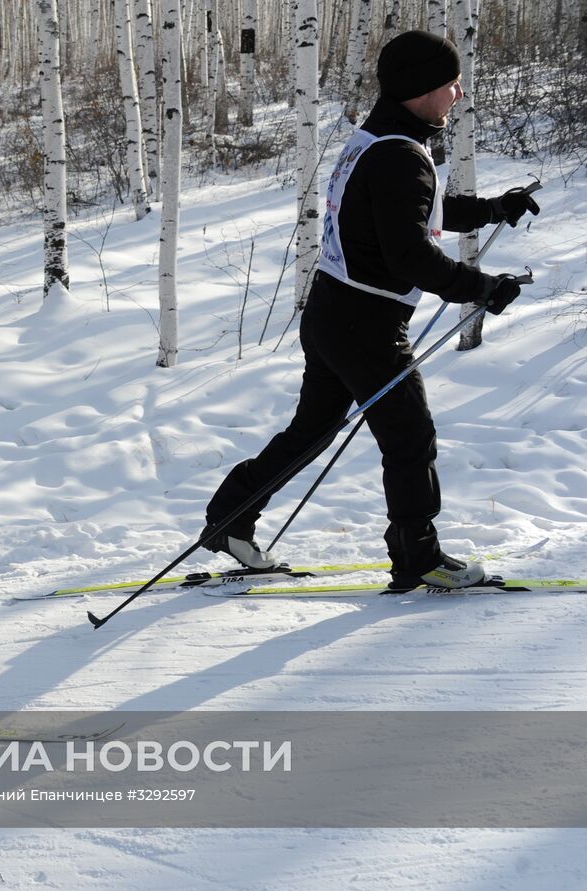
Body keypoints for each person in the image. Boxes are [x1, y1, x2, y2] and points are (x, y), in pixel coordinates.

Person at [200, 30, 540, 590]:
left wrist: (492, 209)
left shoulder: (379, 138)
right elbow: (409, 255)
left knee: (312, 431)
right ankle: (419, 557)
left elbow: (413, 211)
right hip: (366, 324)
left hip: (333, 311)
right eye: (452, 83)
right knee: (410, 436)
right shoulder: (399, 156)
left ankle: (231, 518)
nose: (458, 93)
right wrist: (481, 288)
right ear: (421, 88)